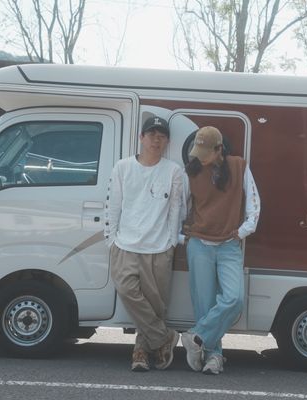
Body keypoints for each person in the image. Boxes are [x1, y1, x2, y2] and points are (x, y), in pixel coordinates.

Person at [104, 116, 183, 372]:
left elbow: (176, 208)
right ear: (141, 138)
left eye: (161, 136)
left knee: (155, 305)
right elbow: (113, 205)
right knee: (127, 290)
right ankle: (163, 338)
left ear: (167, 141)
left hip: (159, 248)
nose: (156, 140)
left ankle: (141, 352)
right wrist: (111, 240)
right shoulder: (123, 167)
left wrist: (171, 242)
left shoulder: (173, 170)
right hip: (125, 245)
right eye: (151, 135)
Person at [180, 126, 260, 375]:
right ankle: (214, 356)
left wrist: (244, 230)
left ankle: (196, 337)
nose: (200, 158)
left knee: (234, 299)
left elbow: (254, 203)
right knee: (204, 306)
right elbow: (180, 207)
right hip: (199, 245)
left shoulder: (239, 166)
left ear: (219, 149)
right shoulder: (191, 171)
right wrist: (181, 236)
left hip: (228, 244)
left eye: (205, 153)